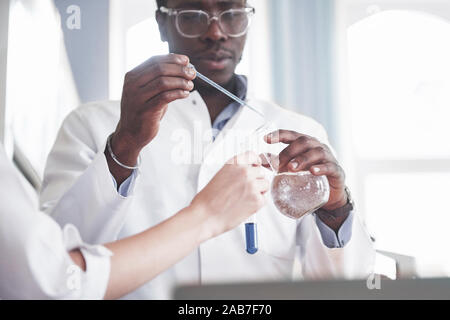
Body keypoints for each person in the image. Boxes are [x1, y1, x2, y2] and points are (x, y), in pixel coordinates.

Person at [40, 0, 376, 299]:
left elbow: (345, 286)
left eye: (231, 13)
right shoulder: (93, 124)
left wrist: (335, 211)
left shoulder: (302, 134)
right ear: (162, 22)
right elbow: (53, 267)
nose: (215, 32)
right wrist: (126, 142)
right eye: (192, 14)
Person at [0, 144, 268, 299]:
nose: (217, 41)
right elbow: (52, 277)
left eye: (232, 38)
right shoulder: (92, 119)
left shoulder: (293, 128)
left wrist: (313, 208)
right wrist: (207, 214)